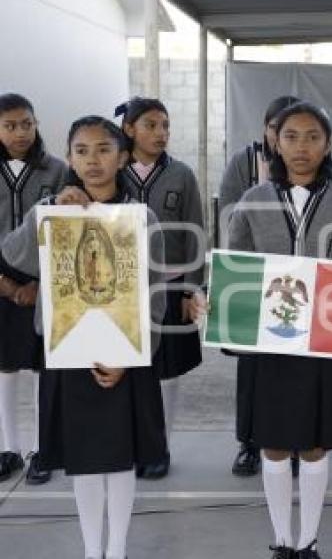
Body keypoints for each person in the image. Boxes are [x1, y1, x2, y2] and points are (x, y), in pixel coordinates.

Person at [194, 101, 332, 559]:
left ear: (328, 145)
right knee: (275, 445)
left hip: (324, 342)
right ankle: (282, 539)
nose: (301, 147)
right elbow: (231, 267)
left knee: (317, 446)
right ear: (274, 142)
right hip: (268, 344)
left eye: (312, 137)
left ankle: (309, 540)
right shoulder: (252, 201)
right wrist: (208, 294)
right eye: (290, 137)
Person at [1, 115, 167, 559]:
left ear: (123, 156)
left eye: (103, 149)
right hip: (68, 349)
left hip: (123, 354)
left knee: (120, 457)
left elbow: (153, 293)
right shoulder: (52, 211)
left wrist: (131, 356)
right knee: (85, 458)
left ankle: (117, 549)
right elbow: (12, 253)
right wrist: (51, 208)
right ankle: (93, 550)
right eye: (81, 150)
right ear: (69, 157)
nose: (92, 160)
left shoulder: (140, 217)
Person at [116, 97, 205, 479]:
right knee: (131, 369)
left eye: (165, 126)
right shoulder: (114, 172)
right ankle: (131, 443)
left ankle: (160, 446)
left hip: (168, 287)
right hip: (119, 289)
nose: (160, 133)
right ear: (129, 129)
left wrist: (192, 290)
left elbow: (196, 234)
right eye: (151, 125)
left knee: (168, 369)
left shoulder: (182, 175)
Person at [219, 94, 300, 477]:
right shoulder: (245, 162)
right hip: (256, 280)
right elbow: (228, 212)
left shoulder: (308, 166)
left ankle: (298, 440)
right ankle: (249, 443)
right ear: (268, 131)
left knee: (297, 370)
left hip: (300, 284)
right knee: (254, 372)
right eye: (277, 129)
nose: (289, 140)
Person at [0, 93, 66, 485]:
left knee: (44, 367)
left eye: (27, 123)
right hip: (0, 281)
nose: (20, 132)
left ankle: (45, 449)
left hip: (45, 280)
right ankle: (8, 448)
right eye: (10, 125)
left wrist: (41, 285)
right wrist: (5, 285)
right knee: (5, 366)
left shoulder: (56, 171)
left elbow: (64, 230)